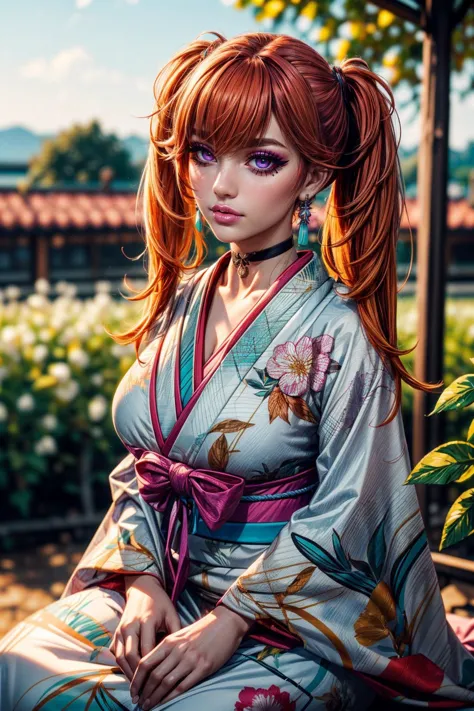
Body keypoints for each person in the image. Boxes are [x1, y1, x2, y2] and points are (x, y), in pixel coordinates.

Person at [1, 30, 474, 711]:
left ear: (313, 175)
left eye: (260, 159)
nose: (220, 185)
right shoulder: (184, 301)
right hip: (166, 584)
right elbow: (144, 466)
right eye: (203, 152)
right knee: (19, 666)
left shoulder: (340, 331)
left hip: (292, 622)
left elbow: (349, 510)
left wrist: (229, 622)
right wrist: (141, 585)